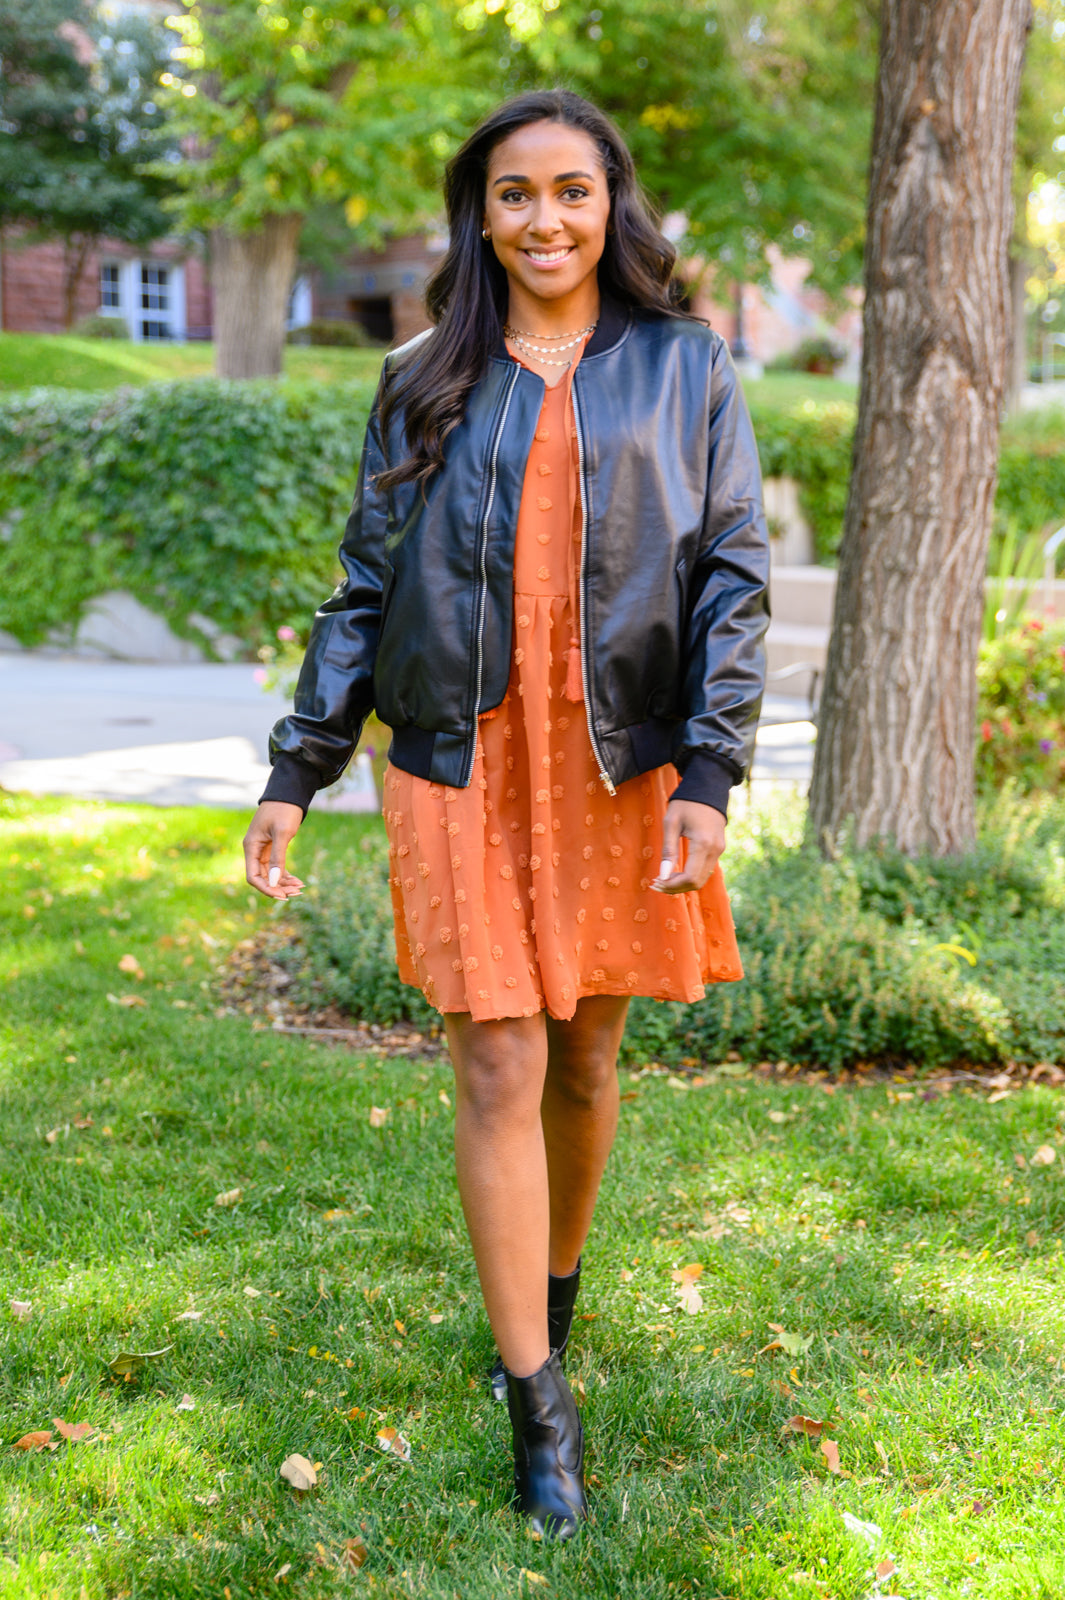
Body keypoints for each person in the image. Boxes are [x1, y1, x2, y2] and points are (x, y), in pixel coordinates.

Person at [243, 89, 769, 1539]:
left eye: (571, 191)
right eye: (515, 193)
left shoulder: (685, 364)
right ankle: (539, 1402)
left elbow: (730, 571)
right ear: (480, 216)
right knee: (496, 1062)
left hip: (614, 759)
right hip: (459, 757)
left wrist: (710, 772)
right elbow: (365, 583)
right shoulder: (422, 375)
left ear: (611, 205)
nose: (545, 219)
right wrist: (298, 769)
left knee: (584, 1060)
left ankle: (550, 1298)